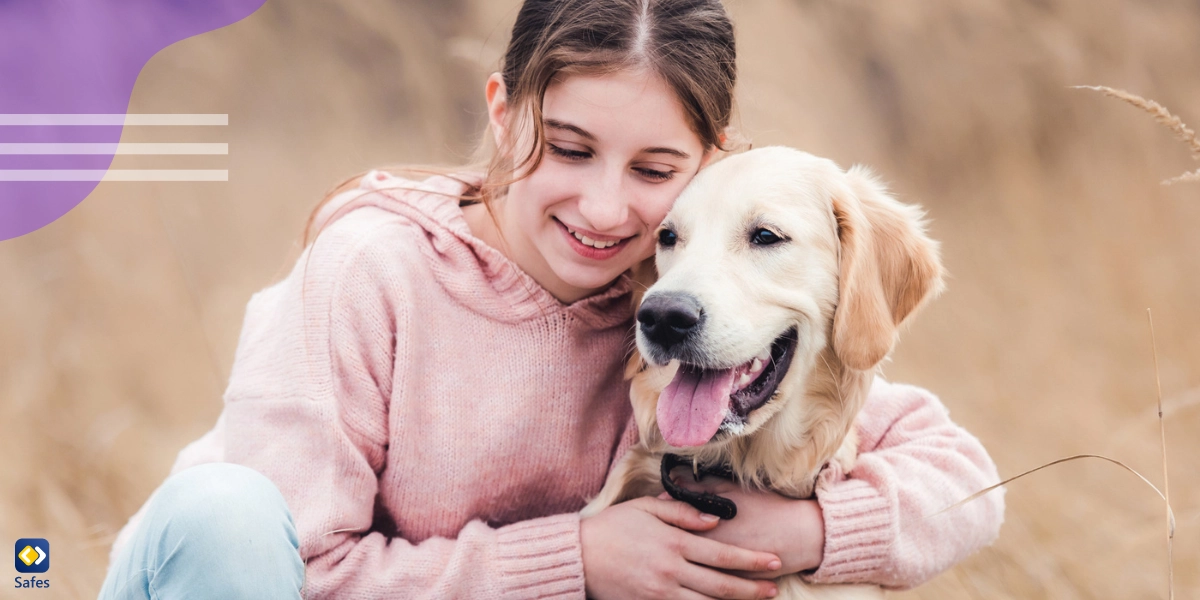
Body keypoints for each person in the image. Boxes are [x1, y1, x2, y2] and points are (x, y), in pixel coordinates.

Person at [98, 1, 1005, 598]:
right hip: (210, 576)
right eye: (568, 150)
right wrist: (576, 562)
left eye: (654, 170)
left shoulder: (675, 305)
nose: (605, 208)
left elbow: (966, 480)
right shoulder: (370, 270)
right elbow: (302, 571)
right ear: (503, 113)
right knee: (223, 511)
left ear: (709, 164)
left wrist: (807, 531)